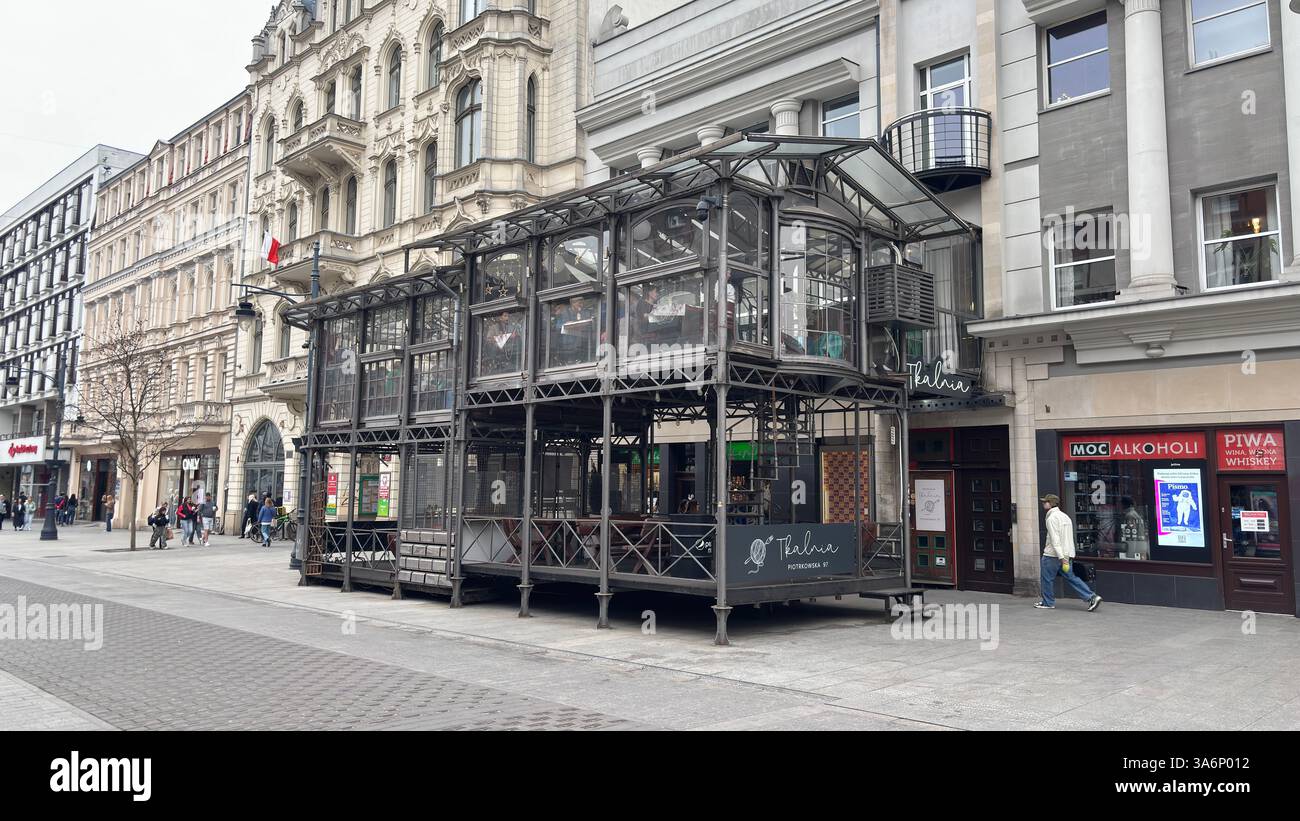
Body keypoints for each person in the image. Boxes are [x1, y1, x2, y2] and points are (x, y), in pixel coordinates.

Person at [1037, 493, 1102, 611]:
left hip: (1053, 555)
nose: (1043, 503)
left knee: (1046, 579)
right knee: (1072, 577)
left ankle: (1048, 602)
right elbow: (1068, 537)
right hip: (1067, 554)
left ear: (1050, 504)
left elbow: (1055, 539)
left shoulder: (1051, 518)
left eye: (1045, 502)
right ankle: (1092, 596)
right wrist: (1068, 555)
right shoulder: (1065, 517)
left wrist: (1061, 557)